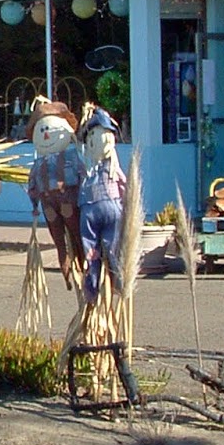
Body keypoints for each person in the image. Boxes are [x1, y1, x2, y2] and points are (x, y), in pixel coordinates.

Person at [25, 100, 88, 288]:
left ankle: (83, 265)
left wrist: (85, 198)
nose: (45, 134)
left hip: (67, 198)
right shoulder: (38, 164)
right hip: (47, 203)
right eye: (41, 129)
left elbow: (82, 176)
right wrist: (34, 205)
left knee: (76, 234)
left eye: (49, 129)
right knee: (59, 240)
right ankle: (68, 274)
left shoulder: (71, 156)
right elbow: (32, 186)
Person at [77, 107, 126, 304]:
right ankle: (94, 285)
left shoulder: (107, 168)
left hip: (97, 209)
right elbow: (125, 185)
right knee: (95, 250)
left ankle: (113, 282)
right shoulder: (91, 168)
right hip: (97, 209)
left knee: (106, 248)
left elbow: (125, 185)